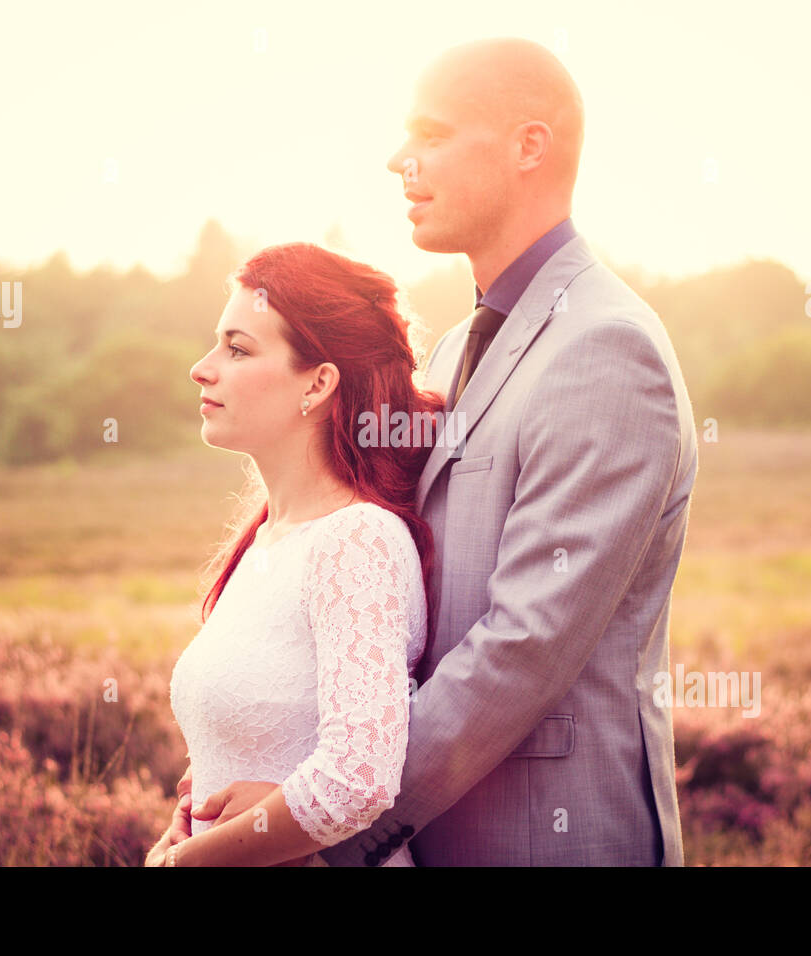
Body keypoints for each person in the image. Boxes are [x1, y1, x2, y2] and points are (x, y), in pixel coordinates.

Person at [184, 35, 697, 866]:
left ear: (529, 145)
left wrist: (319, 823)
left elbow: (524, 646)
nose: (398, 160)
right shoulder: (456, 345)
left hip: (547, 839)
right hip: (437, 836)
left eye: (431, 134)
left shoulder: (607, 349)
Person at [146, 242, 444, 866]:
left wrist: (188, 863)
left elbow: (358, 780)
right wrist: (190, 816)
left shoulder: (356, 541)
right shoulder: (267, 540)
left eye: (238, 348)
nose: (202, 369)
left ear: (318, 382)